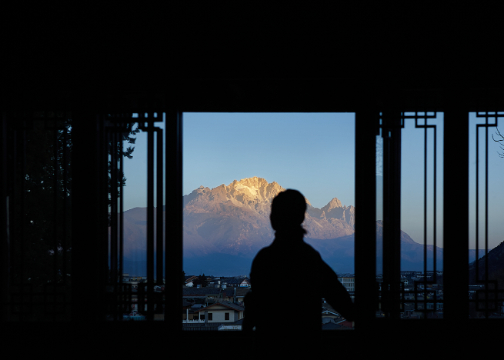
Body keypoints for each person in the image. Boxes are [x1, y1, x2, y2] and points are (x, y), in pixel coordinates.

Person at [242, 189, 355, 356]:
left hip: (269, 348)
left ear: (273, 220)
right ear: (301, 218)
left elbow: (253, 312)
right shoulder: (310, 259)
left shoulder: (264, 260)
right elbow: (342, 302)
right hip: (305, 347)